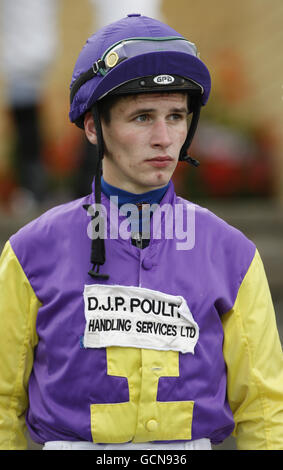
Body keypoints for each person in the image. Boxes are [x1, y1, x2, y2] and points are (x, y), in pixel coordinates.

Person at [0, 14, 282, 451]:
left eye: (176, 116)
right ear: (94, 127)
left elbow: (265, 410)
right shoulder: (29, 252)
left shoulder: (233, 254)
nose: (163, 138)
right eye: (142, 117)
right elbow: (3, 403)